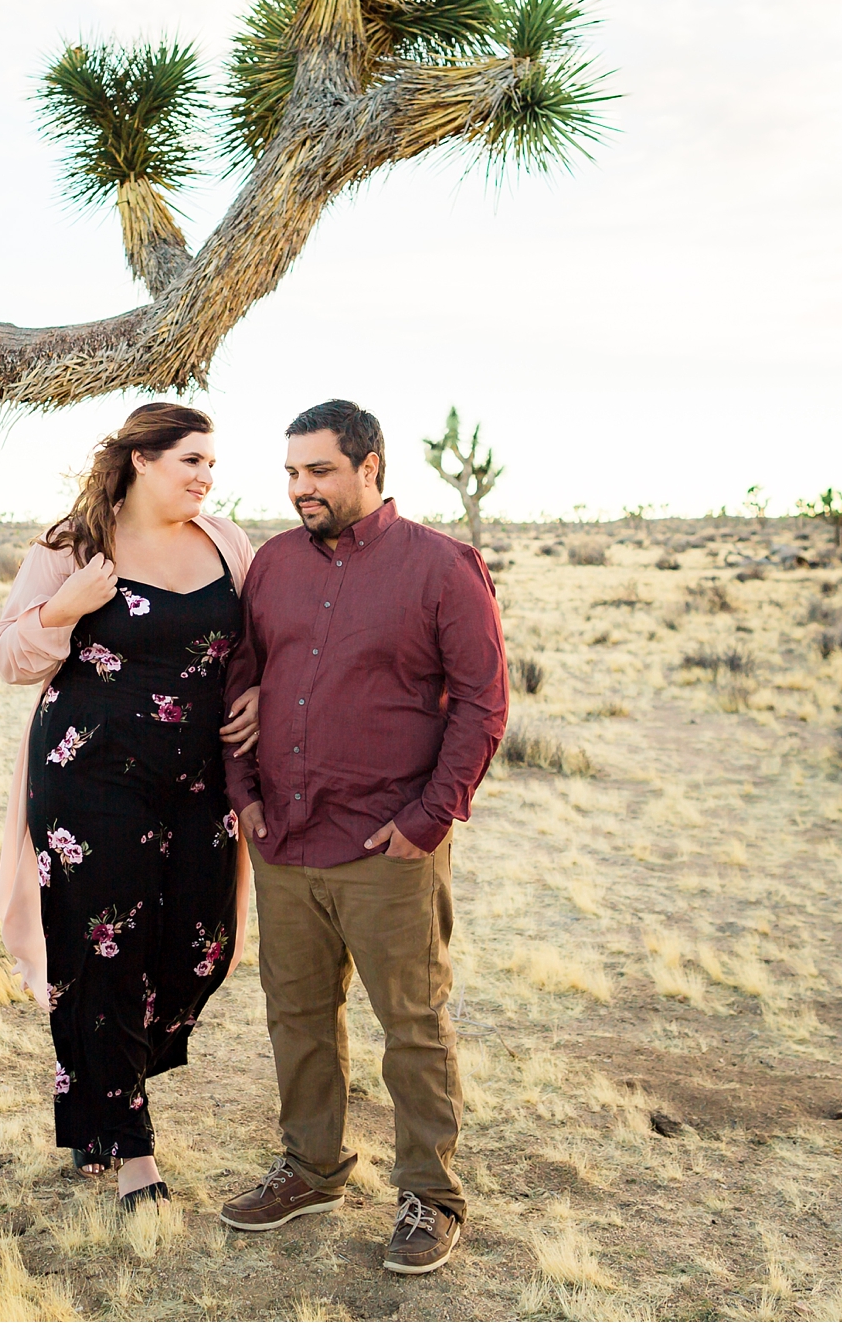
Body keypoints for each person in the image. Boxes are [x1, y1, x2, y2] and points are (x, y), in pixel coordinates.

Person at [216, 399, 507, 1276]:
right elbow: (244, 684)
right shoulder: (271, 565)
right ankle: (312, 1167)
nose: (301, 488)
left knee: (412, 1024)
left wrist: (428, 819)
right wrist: (244, 794)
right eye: (293, 472)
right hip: (286, 838)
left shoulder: (442, 568)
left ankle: (431, 1194)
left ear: (370, 468)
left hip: (388, 847)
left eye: (320, 471)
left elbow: (484, 704)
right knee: (294, 1014)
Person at [0, 402, 262, 1210]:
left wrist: (258, 698)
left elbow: (254, 648)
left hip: (199, 781)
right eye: (192, 463)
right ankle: (129, 1146)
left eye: (212, 464)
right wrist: (65, 605)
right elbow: (6, 651)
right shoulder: (73, 543)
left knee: (199, 948)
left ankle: (103, 1099)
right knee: (101, 950)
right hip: (89, 777)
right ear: (142, 460)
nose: (207, 479)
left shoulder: (227, 543)